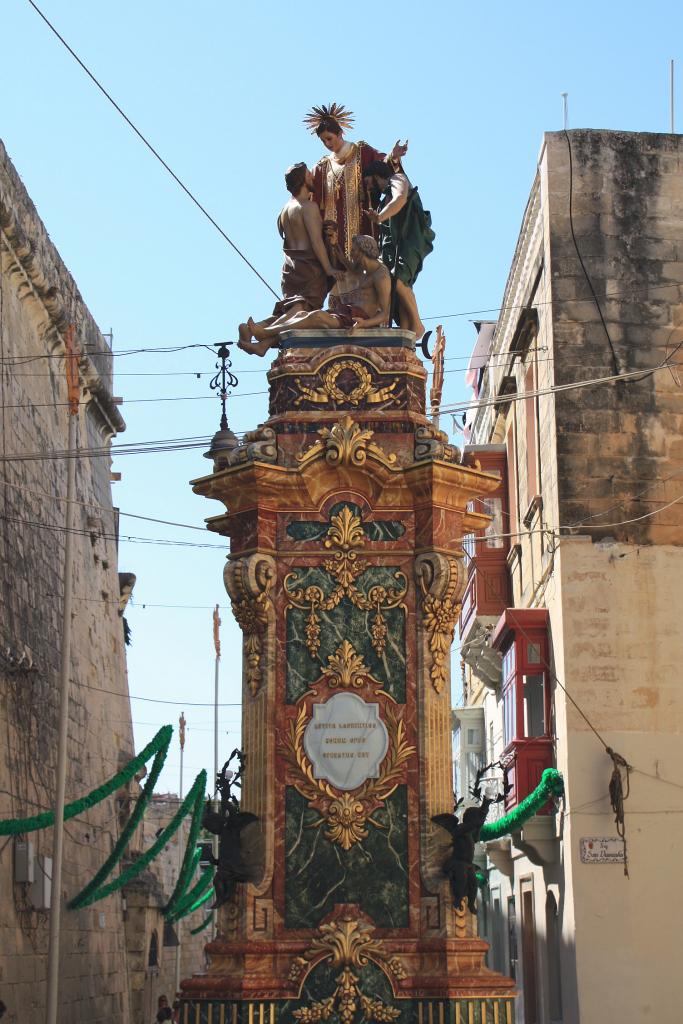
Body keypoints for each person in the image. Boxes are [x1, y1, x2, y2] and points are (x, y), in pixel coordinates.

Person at [239, 163, 340, 350]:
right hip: (309, 269)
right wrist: (329, 268)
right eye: (309, 175)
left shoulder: (284, 210)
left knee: (293, 312)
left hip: (290, 269)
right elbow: (316, 242)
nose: (312, 178)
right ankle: (259, 330)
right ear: (302, 180)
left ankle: (261, 342)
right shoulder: (308, 207)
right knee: (301, 312)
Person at [238, 235, 391, 357]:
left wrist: (365, 324)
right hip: (346, 313)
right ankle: (263, 346)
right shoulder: (363, 270)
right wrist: (334, 246)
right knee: (303, 316)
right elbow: (349, 265)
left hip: (357, 318)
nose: (351, 253)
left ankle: (265, 332)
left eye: (354, 250)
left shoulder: (381, 275)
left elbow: (385, 314)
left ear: (363, 251)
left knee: (316, 316)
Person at [304, 103, 407, 260]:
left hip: (362, 226)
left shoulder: (362, 152)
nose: (327, 144)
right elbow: (308, 195)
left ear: (340, 133)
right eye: (323, 141)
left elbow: (382, 170)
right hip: (333, 240)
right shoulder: (321, 168)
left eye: (329, 138)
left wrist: (393, 157)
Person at [363, 160, 435, 338]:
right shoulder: (383, 198)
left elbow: (400, 198)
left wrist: (379, 217)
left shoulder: (397, 179)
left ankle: (417, 325)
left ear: (375, 176)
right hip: (392, 247)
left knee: (398, 278)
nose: (368, 188)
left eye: (367, 182)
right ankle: (405, 328)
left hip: (409, 241)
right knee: (392, 284)